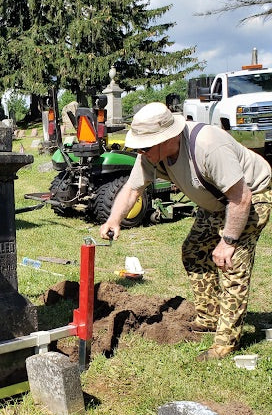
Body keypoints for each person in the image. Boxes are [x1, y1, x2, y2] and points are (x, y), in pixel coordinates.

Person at [99, 102, 272, 361]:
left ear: (166, 138)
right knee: (193, 251)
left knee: (231, 263)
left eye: (144, 146)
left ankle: (226, 343)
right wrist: (114, 220)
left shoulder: (209, 147)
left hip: (250, 197)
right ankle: (210, 316)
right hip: (215, 203)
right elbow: (133, 189)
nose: (140, 152)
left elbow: (241, 198)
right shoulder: (150, 155)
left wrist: (228, 241)